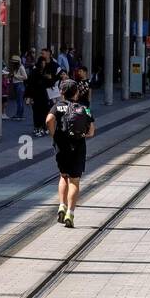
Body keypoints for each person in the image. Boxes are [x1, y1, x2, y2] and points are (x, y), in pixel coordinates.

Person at [46, 78, 95, 228]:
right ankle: (70, 214)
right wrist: (83, 135)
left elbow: (49, 120)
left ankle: (62, 205)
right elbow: (92, 131)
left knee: (63, 176)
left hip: (61, 146)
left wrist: (54, 134)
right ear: (77, 92)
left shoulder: (57, 106)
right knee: (74, 180)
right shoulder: (84, 108)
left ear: (61, 92)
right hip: (78, 146)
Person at [25, 48, 59, 136]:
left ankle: (44, 127)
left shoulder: (49, 68)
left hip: (45, 96)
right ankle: (38, 128)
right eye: (42, 63)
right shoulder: (35, 71)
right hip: (36, 96)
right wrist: (29, 97)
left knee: (45, 111)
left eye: (44, 63)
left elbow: (51, 82)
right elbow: (30, 84)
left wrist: (50, 78)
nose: (43, 65)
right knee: (37, 112)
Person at [9, 54, 27, 121]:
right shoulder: (16, 68)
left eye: (13, 62)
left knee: (20, 101)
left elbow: (25, 77)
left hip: (20, 84)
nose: (12, 64)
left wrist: (16, 76)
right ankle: (18, 114)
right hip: (16, 84)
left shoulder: (21, 67)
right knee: (18, 100)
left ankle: (19, 114)